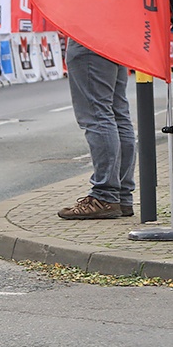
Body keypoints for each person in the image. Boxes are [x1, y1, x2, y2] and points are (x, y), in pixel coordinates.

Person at [58, 39, 136, 220]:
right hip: (114, 37)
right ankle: (121, 195)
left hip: (88, 37)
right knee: (117, 114)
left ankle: (105, 196)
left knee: (97, 114)